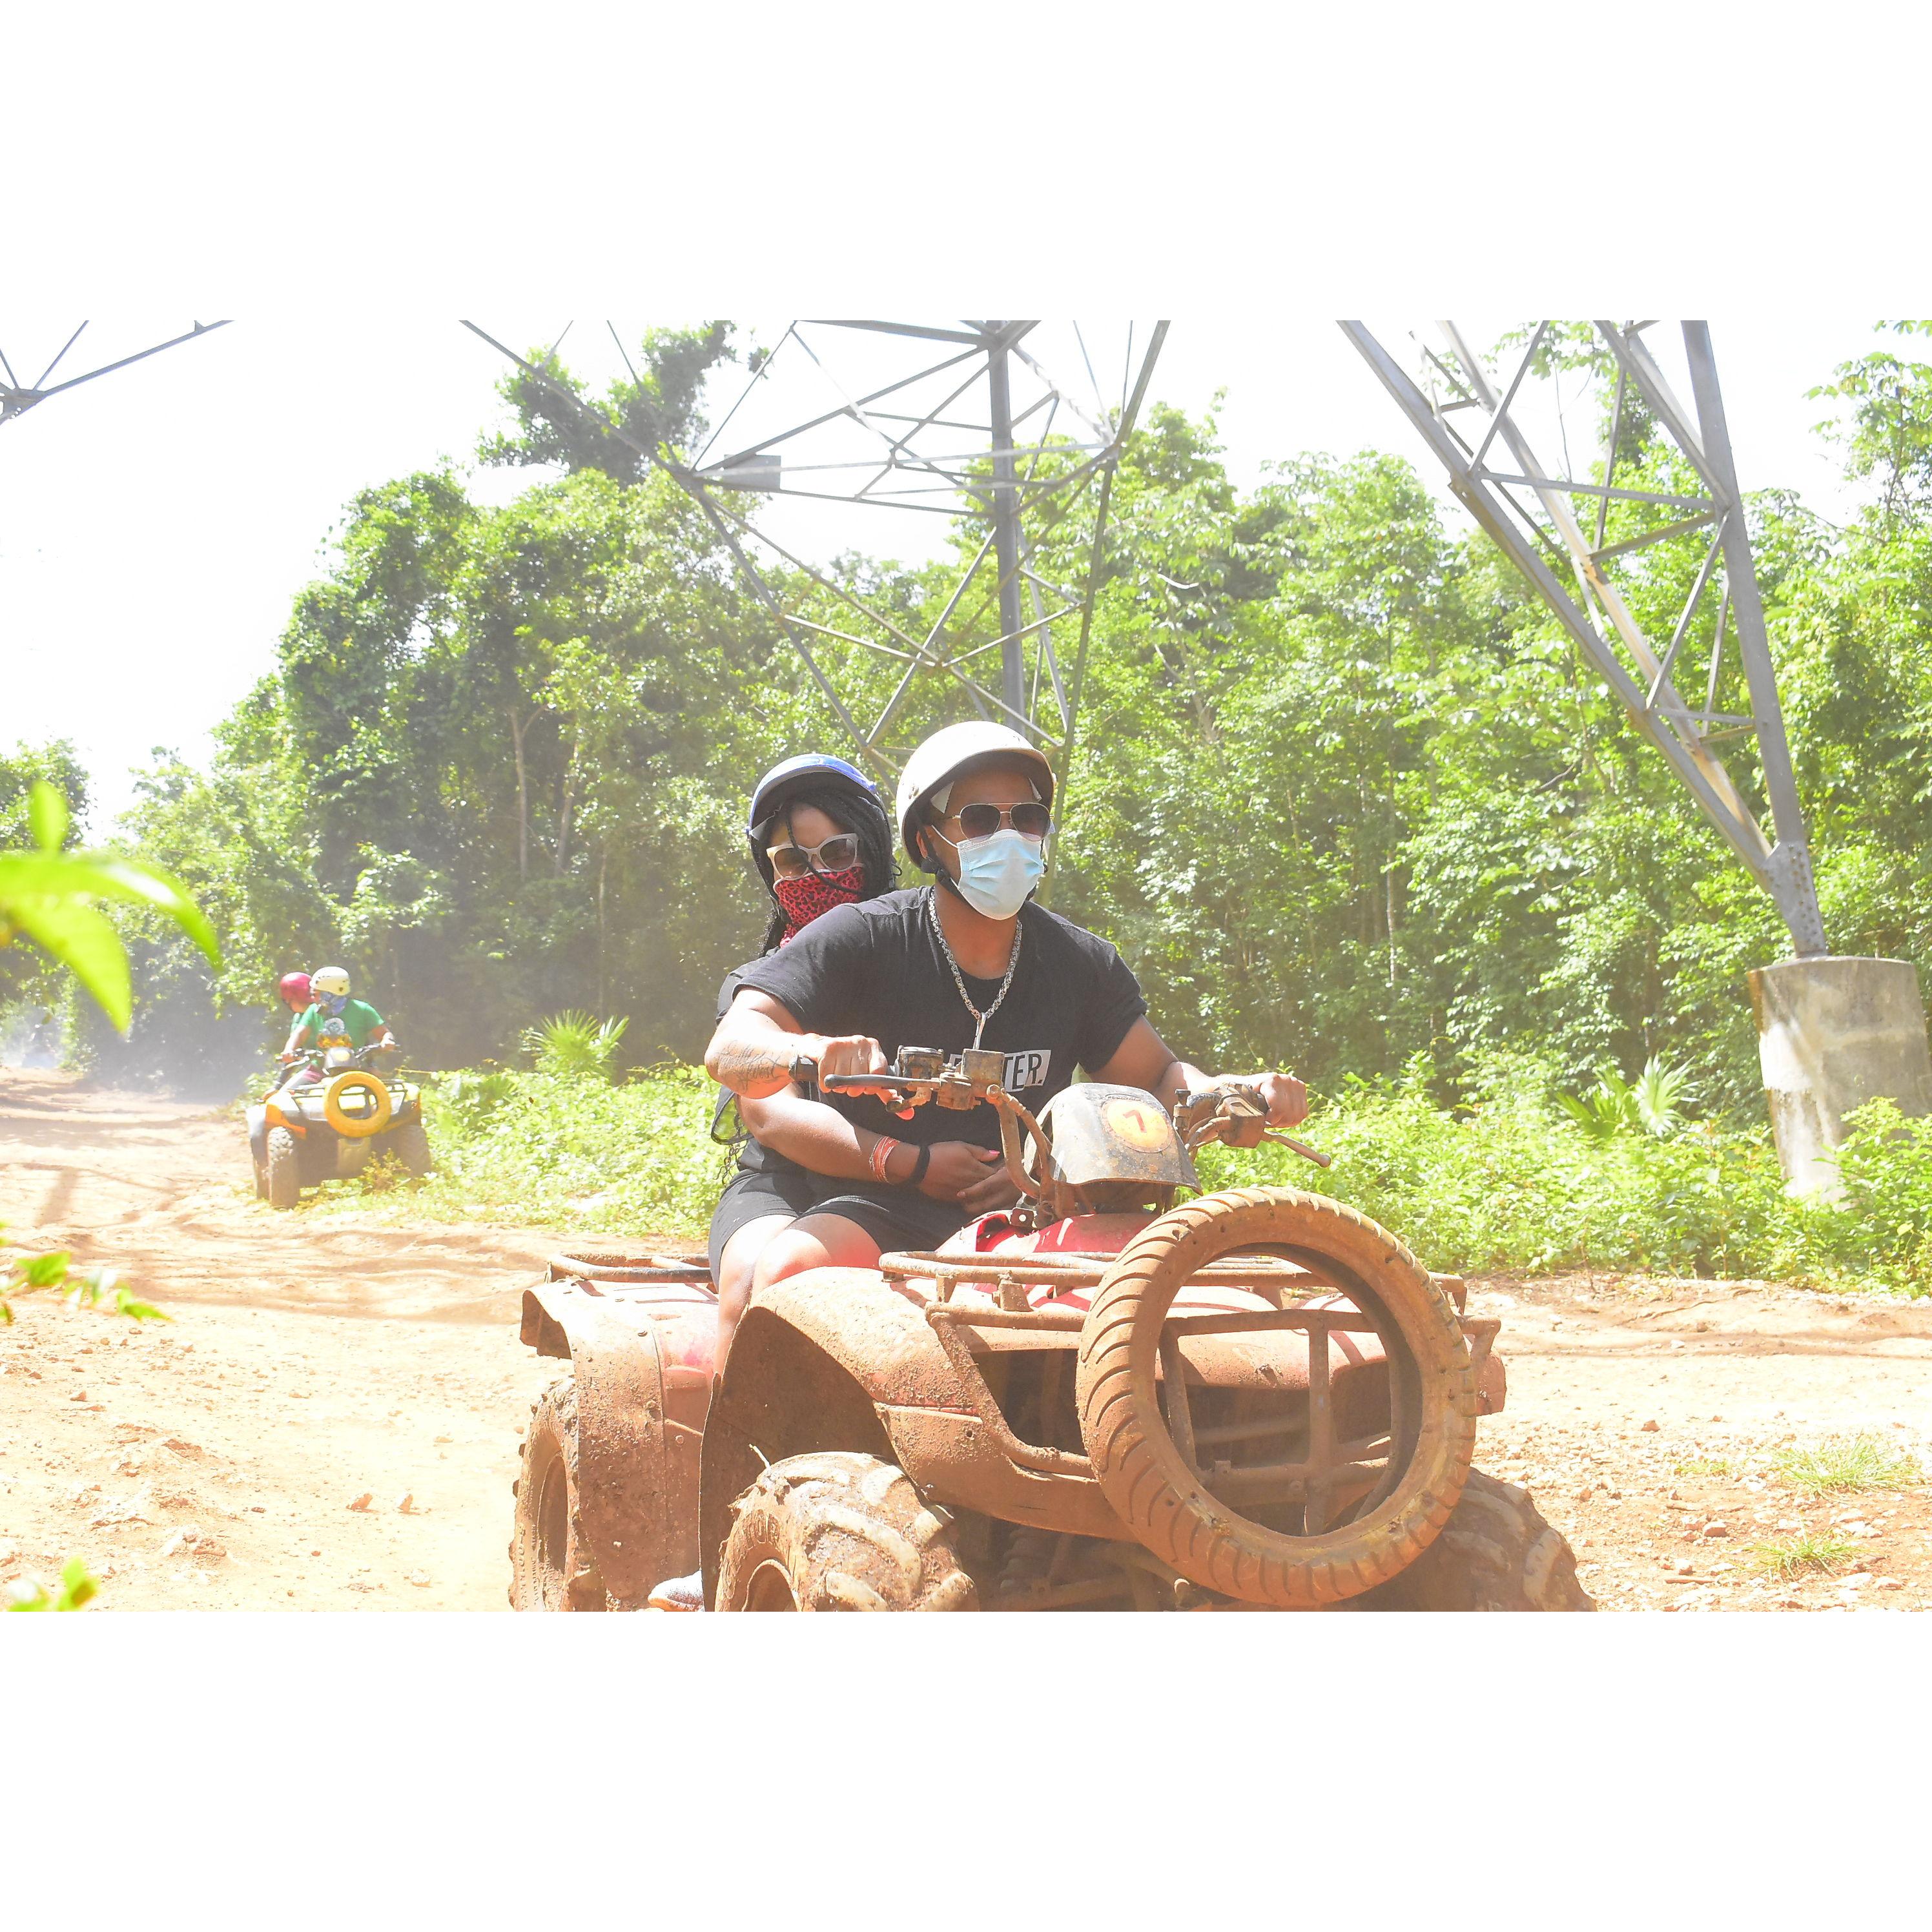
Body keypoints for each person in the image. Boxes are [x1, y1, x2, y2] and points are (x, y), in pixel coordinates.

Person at [704, 720, 1310, 1291]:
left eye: (1026, 818)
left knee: (1184, 1285)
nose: (1008, 837)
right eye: (978, 820)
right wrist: (806, 1050)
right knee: (788, 1271)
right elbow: (733, 1046)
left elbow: (1155, 1076)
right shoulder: (860, 937)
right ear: (926, 841)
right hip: (883, 1204)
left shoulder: (1080, 961)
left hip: (1035, 1211)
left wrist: (1226, 1090)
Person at [706, 755, 915, 1366]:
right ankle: (733, 1457)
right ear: (770, 873)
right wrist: (912, 1163)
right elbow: (772, 1117)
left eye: (836, 854)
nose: (816, 875)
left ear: (872, 851)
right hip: (786, 1186)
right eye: (793, 862)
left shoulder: (927, 963)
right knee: (752, 1278)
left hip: (909, 1193)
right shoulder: (754, 987)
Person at [276, 966, 397, 1087]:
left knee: (382, 1097)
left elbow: (385, 1033)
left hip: (358, 1069)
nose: (312, 999)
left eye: (316, 994)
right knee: (287, 1098)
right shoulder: (313, 1011)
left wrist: (387, 1041)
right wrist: (289, 1050)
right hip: (319, 1070)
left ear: (330, 994)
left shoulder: (362, 1010)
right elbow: (299, 1034)